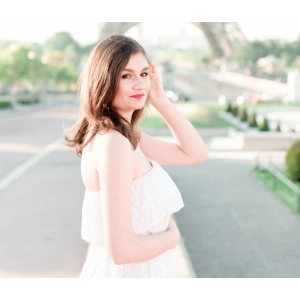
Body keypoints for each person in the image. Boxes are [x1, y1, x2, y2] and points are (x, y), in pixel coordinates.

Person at [64, 34, 209, 278]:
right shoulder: (114, 144)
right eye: (126, 75)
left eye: (144, 74)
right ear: (104, 80)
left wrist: (161, 99)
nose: (140, 85)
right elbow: (121, 252)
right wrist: (172, 238)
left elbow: (195, 153)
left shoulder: (127, 137)